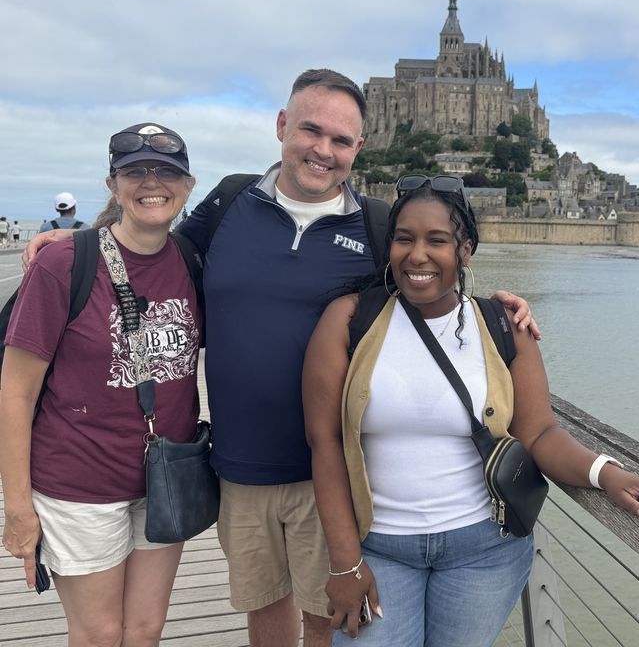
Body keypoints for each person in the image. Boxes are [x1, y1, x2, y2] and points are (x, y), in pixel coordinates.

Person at [25, 68, 539, 647]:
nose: (323, 150)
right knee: (265, 614)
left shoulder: (373, 226)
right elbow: (150, 241)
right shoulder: (227, 204)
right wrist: (80, 238)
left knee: (326, 618)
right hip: (239, 467)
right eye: (310, 131)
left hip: (337, 471)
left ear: (358, 149)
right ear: (281, 127)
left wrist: (494, 306)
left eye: (341, 140)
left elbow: (427, 282)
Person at [302, 176, 639, 646]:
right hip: (380, 550)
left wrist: (608, 473)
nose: (417, 255)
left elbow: (538, 434)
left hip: (483, 552)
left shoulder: (504, 328)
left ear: (466, 251)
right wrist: (344, 561)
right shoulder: (350, 319)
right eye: (404, 239)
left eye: (438, 241)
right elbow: (326, 441)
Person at [0, 123, 201, 646]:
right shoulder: (64, 263)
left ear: (189, 185)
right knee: (98, 634)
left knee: (145, 630)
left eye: (166, 172)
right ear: (113, 185)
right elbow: (16, 391)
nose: (151, 182)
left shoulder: (193, 260)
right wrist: (18, 508)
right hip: (79, 486)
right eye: (135, 171)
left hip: (164, 479)